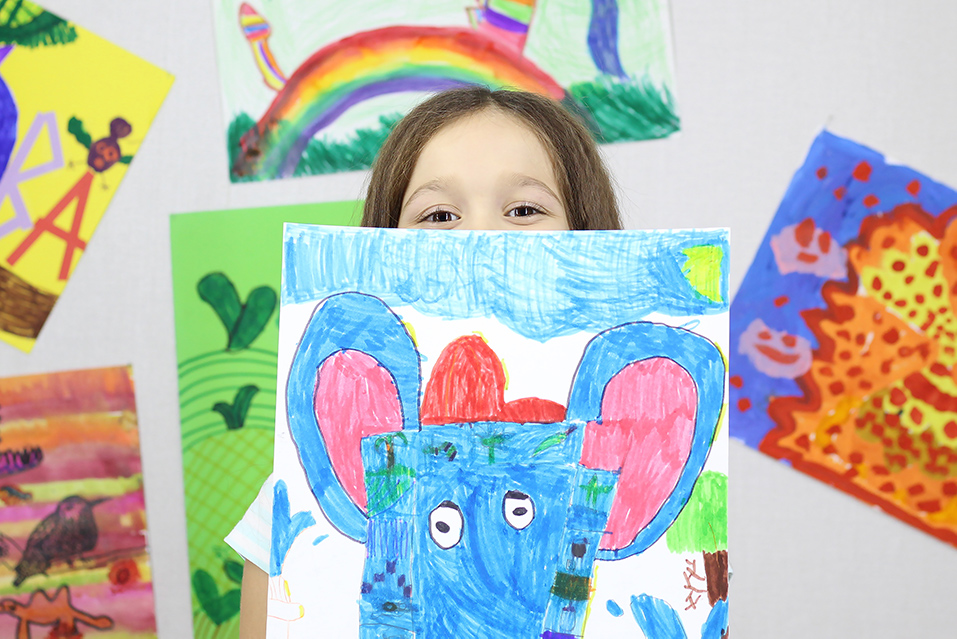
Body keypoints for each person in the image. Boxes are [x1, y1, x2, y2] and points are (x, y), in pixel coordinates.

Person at [229, 85, 623, 638]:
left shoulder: (597, 472)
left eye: (524, 209)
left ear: (589, 233)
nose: (480, 237)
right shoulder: (295, 495)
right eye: (439, 214)